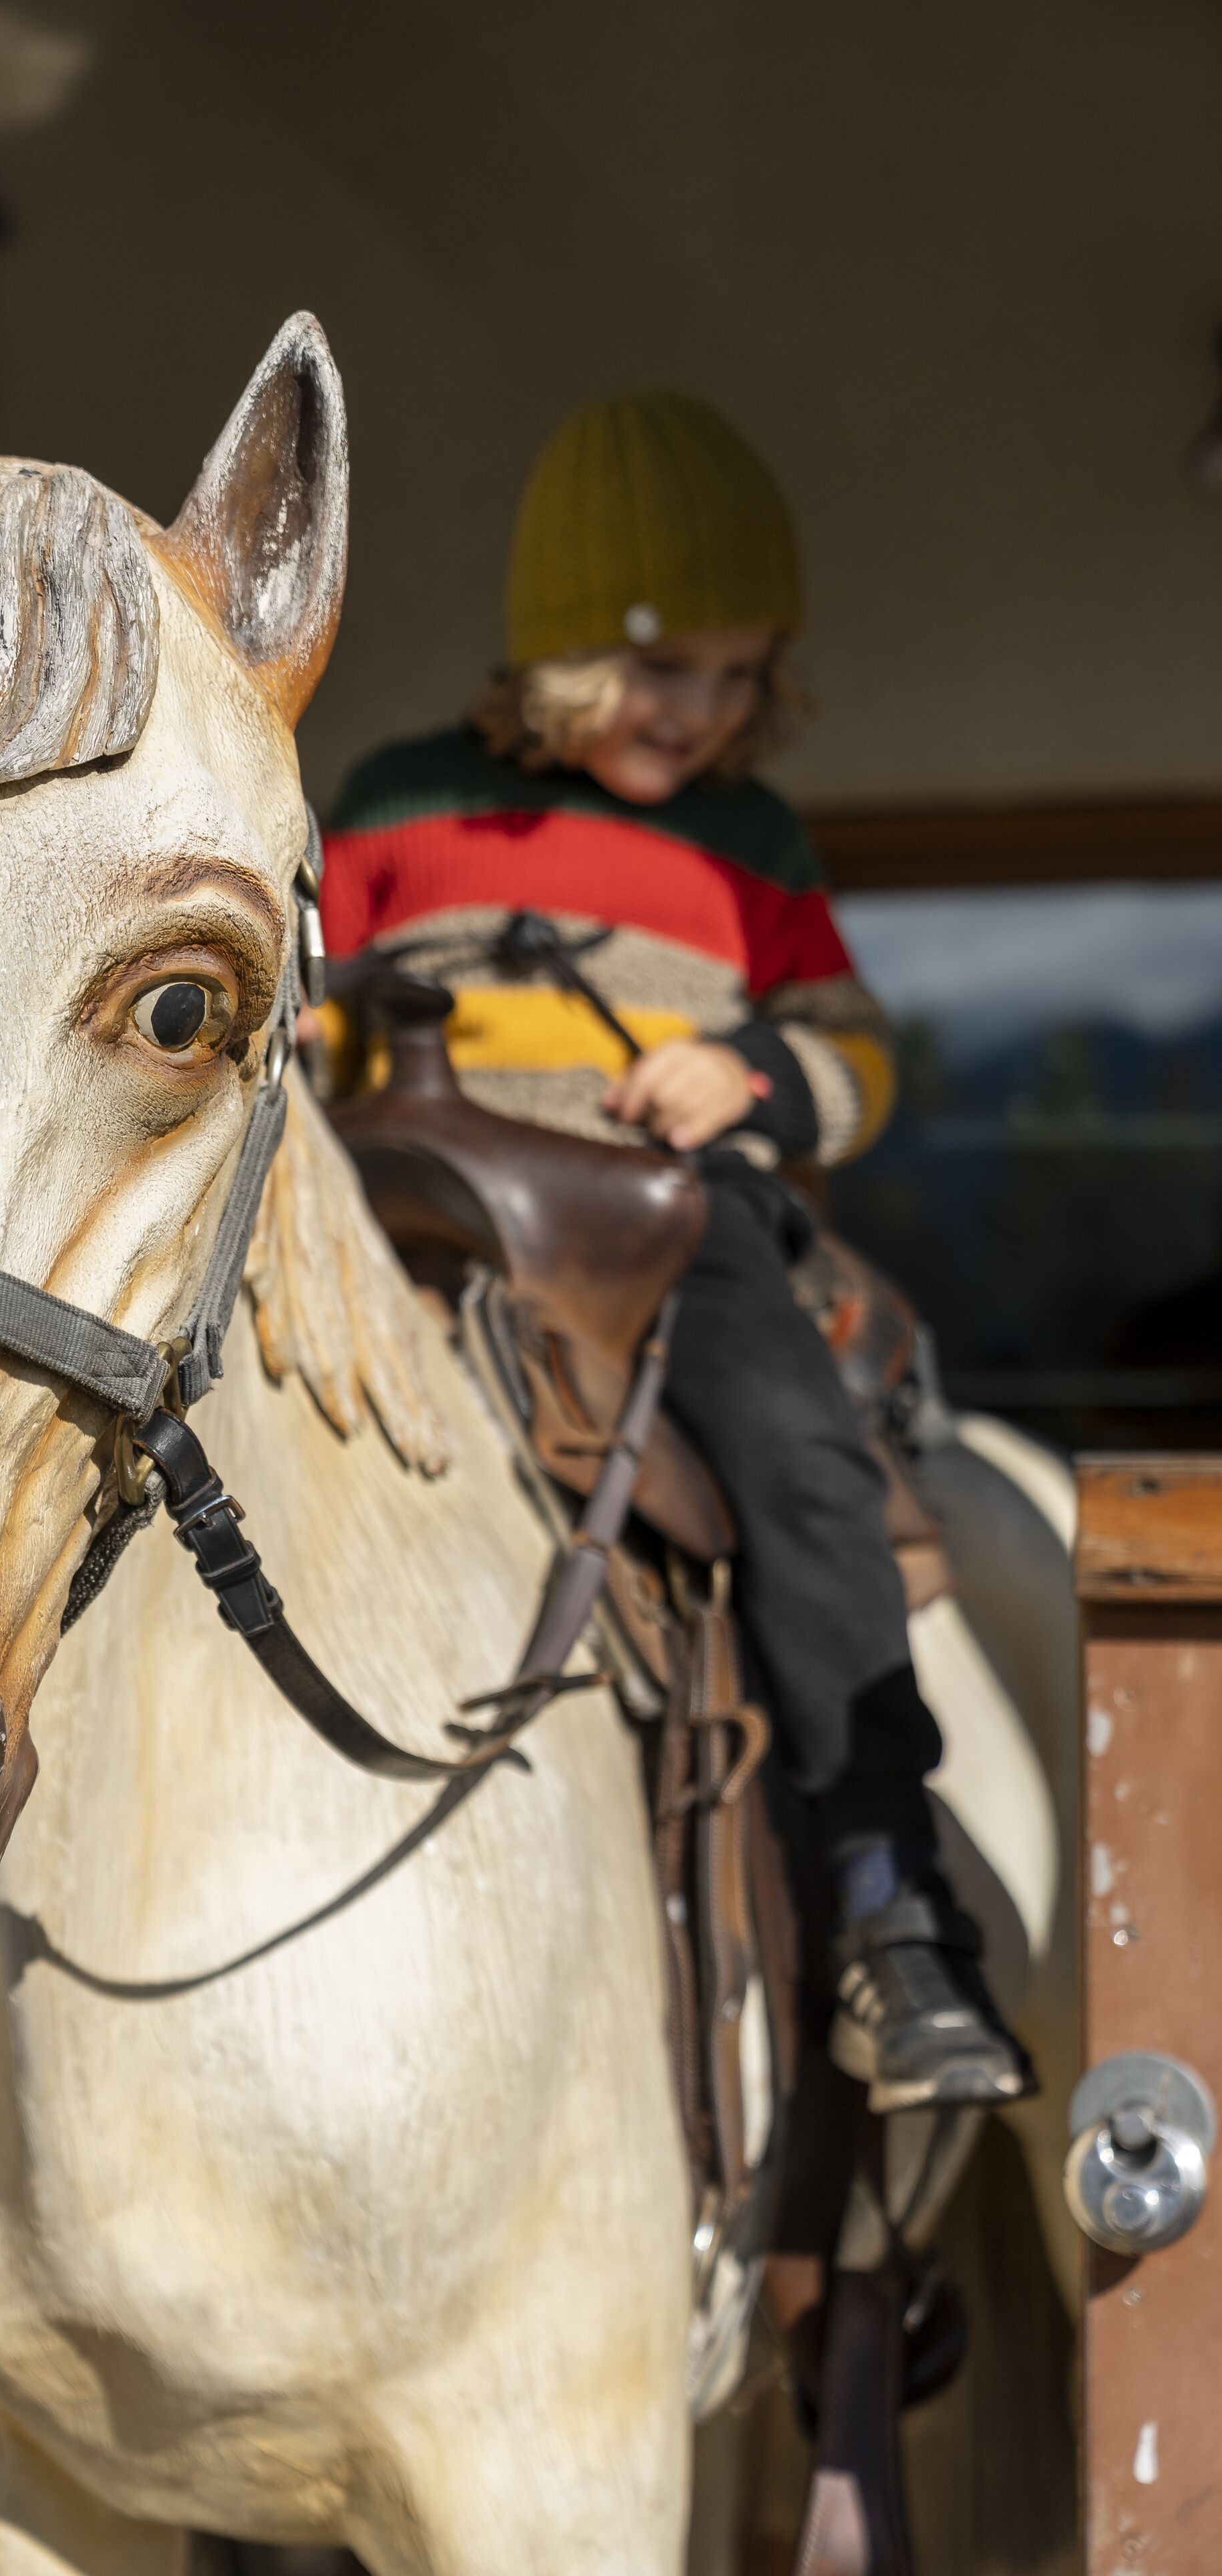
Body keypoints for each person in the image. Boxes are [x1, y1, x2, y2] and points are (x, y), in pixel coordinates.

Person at [318, 390, 1032, 2112]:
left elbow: (855, 1057)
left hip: (662, 1225)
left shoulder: (753, 847)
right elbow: (291, 1009)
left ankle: (881, 1897)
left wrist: (751, 1074)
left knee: (799, 1457)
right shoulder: (399, 805)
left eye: (733, 676)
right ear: (557, 652)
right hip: (419, 1213)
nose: (697, 715)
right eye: (657, 671)